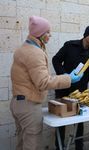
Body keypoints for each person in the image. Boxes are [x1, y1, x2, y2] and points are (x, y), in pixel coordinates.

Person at [10, 16, 83, 150]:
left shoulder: (24, 48)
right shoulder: (34, 52)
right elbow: (43, 82)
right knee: (32, 145)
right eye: (48, 32)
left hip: (18, 103)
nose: (50, 35)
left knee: (22, 142)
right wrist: (68, 78)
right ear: (40, 34)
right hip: (28, 106)